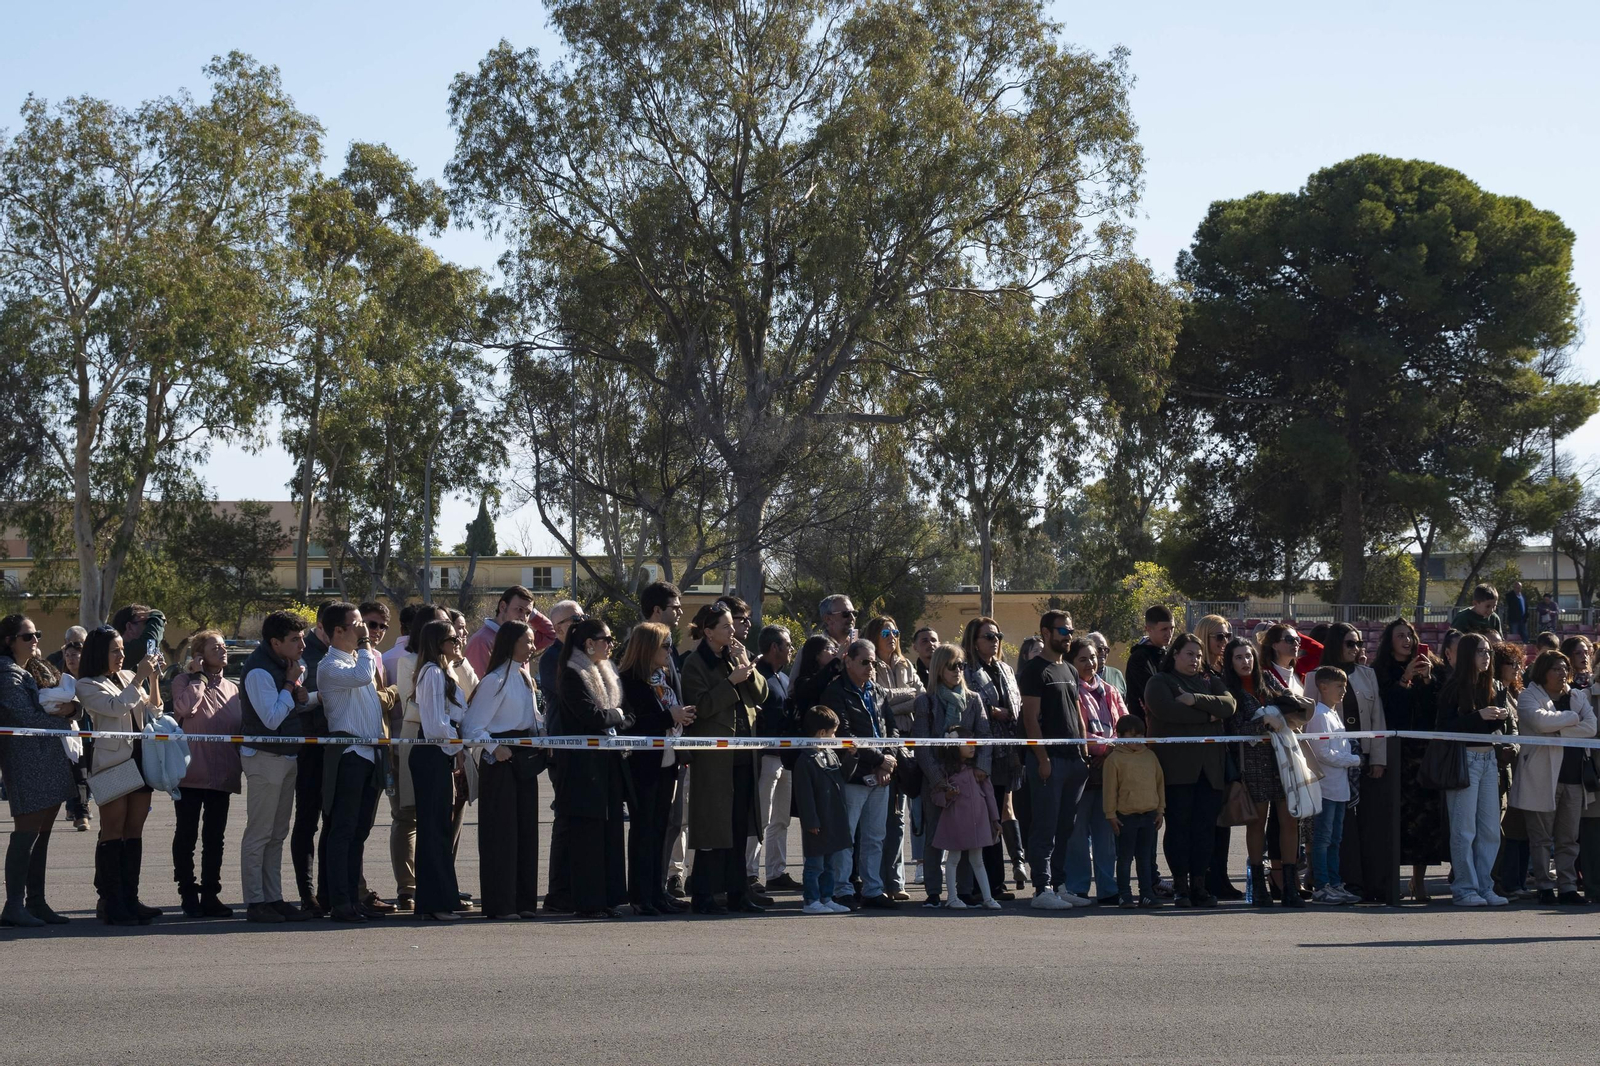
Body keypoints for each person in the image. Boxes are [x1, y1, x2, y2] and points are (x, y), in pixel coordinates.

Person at [681, 602, 770, 914]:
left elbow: (762, 695)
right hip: (715, 761)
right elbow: (701, 707)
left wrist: (745, 667)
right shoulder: (695, 664)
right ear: (708, 632)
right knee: (712, 828)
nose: (734, 632)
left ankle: (737, 893)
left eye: (734, 625)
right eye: (726, 627)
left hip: (744, 756)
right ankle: (704, 895)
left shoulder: (734, 658)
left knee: (737, 827)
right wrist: (730, 682)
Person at [77, 623, 168, 924]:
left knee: (134, 831)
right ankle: (111, 902)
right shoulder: (87, 684)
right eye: (114, 650)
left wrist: (152, 679)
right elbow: (115, 707)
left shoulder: (130, 676)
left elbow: (155, 710)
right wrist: (140, 676)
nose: (121, 654)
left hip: (141, 760)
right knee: (112, 830)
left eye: (122, 649)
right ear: (98, 652)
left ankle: (131, 898)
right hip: (112, 764)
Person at [231, 611, 318, 924]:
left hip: (286, 756)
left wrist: (304, 693)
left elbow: (294, 698)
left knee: (278, 833)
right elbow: (271, 717)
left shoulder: (288, 666)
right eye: (295, 639)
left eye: (302, 637)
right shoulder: (258, 671)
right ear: (275, 642)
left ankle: (274, 898)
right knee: (259, 833)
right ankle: (256, 902)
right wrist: (290, 686)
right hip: (264, 757)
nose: (302, 645)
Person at [1143, 632, 1235, 907]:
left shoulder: (1209, 680)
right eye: (1189, 654)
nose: (1195, 659)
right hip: (1176, 769)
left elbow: (1229, 706)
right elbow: (1168, 712)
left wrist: (1195, 700)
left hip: (1210, 770)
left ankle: (1199, 885)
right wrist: (1210, 715)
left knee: (1205, 830)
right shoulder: (1160, 682)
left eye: (1198, 655)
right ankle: (1180, 885)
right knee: (1179, 828)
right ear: (1175, 654)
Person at [462, 619, 546, 920]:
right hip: (499, 764)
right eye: (528, 641)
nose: (533, 647)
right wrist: (494, 748)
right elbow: (472, 727)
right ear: (511, 642)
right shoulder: (494, 680)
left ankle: (523, 902)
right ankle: (501, 905)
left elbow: (534, 719)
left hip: (524, 761)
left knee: (525, 834)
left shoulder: (526, 678)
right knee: (502, 836)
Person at [1219, 635, 1307, 908]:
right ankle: (1258, 886)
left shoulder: (1267, 680)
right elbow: (1235, 729)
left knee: (1289, 820)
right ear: (1229, 662)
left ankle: (1290, 886)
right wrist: (1265, 723)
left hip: (1282, 759)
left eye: (1248, 656)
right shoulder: (1227, 688)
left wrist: (1283, 711)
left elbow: (1291, 704)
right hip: (1252, 762)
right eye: (1238, 657)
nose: (1245, 662)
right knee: (1257, 822)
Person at [0, 614, 77, 927]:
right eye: (27, 636)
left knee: (41, 836)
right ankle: (14, 906)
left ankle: (36, 902)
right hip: (26, 763)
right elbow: (25, 717)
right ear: (8, 641)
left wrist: (72, 710)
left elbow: (64, 699)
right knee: (25, 835)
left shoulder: (27, 670)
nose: (35, 641)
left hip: (46, 759)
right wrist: (67, 720)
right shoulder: (6, 673)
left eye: (37, 635)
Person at [315, 601, 389, 924]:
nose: (364, 630)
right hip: (349, 757)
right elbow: (362, 678)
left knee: (359, 830)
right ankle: (339, 901)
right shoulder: (330, 666)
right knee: (342, 830)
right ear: (338, 631)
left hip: (370, 754)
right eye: (357, 624)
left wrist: (363, 646)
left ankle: (352, 897)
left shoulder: (360, 659)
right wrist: (366, 642)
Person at [553, 617, 632, 918]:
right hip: (581, 769)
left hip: (609, 765)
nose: (611, 644)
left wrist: (615, 714)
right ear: (588, 643)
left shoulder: (609, 672)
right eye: (606, 639)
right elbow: (592, 716)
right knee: (586, 836)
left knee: (610, 833)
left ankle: (608, 898)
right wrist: (617, 714)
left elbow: (626, 716)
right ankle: (587, 901)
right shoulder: (572, 674)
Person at [618, 621, 694, 916]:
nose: (670, 650)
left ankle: (657, 892)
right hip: (643, 765)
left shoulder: (662, 677)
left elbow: (668, 712)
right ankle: (640, 895)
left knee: (661, 829)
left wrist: (681, 717)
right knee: (643, 830)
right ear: (648, 647)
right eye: (665, 645)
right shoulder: (629, 681)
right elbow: (632, 724)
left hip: (668, 762)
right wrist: (668, 716)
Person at [1510, 650, 1597, 905]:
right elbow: (1538, 722)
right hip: (1541, 777)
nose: (1561, 673)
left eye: (1564, 668)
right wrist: (1572, 719)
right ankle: (1544, 886)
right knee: (1541, 838)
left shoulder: (1577, 695)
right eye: (1555, 669)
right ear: (1543, 671)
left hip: (1573, 778)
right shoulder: (1529, 696)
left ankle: (1568, 886)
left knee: (1568, 839)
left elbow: (1591, 728)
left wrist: (1557, 731)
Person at [1018, 611, 1091, 911]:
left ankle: (1060, 885)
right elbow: (1030, 719)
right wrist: (1042, 757)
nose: (1068, 636)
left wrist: (1084, 751)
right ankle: (1042, 888)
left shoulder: (1070, 670)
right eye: (1062, 630)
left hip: (1074, 761)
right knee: (1045, 827)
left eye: (1071, 630)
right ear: (1046, 632)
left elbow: (1077, 714)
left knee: (1066, 827)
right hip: (1049, 762)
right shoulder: (1035, 670)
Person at [1370, 618, 1446, 903]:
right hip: (1395, 751)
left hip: (1423, 752)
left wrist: (1426, 680)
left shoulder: (1432, 668)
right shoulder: (1380, 671)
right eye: (1400, 636)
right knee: (1396, 818)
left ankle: (1419, 880)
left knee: (1426, 819)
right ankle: (1392, 879)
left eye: (1410, 635)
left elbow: (1435, 710)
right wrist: (1404, 680)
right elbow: (1388, 709)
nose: (1407, 640)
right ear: (1390, 641)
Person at [169, 630, 243, 918]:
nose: (223, 650)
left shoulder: (233, 689)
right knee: (186, 835)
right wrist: (198, 677)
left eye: (224, 646)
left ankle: (211, 893)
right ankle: (188, 892)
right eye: (216, 647)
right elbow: (184, 709)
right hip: (189, 773)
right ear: (199, 654)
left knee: (215, 837)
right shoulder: (183, 682)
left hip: (222, 774)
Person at [823, 638, 900, 910]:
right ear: (849, 661)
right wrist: (879, 759)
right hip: (854, 774)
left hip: (881, 775)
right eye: (864, 662)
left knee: (875, 835)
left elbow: (891, 728)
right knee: (846, 835)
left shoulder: (877, 690)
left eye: (874, 662)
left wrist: (888, 759)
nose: (870, 667)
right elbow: (844, 734)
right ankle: (841, 888)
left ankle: (872, 889)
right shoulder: (836, 691)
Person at [1437, 633, 1513, 907]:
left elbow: (1496, 729)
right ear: (1468, 654)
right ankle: (1464, 888)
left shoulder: (1494, 686)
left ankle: (1484, 885)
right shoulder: (1453, 686)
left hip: (1488, 761)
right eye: (1480, 651)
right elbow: (1444, 728)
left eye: (1488, 651)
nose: (1486, 656)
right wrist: (1477, 717)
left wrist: (1499, 717)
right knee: (1464, 829)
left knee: (1490, 829)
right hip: (1463, 761)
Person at [913, 645, 991, 908]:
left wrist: (981, 766)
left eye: (961, 665)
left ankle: (964, 891)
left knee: (969, 836)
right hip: (937, 779)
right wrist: (938, 780)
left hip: (968, 778)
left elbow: (985, 736)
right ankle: (934, 891)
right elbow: (922, 745)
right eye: (952, 665)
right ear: (938, 668)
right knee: (936, 835)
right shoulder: (926, 701)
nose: (958, 671)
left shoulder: (974, 699)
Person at [1318, 622, 1391, 903]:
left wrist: (1378, 758)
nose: (1357, 649)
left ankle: (1372, 883)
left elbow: (1377, 718)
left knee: (1369, 824)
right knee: (1337, 828)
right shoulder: (1317, 676)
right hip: (1332, 762)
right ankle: (1343, 881)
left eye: (1359, 644)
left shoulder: (1367, 674)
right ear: (1336, 644)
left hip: (1364, 757)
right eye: (1350, 643)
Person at [962, 616, 1025, 897]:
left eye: (997, 636)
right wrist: (993, 712)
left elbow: (1016, 705)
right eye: (988, 636)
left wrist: (1008, 713)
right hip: (980, 756)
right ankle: (980, 885)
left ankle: (996, 884)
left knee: (997, 818)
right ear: (974, 642)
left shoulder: (1005, 669)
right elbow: (969, 708)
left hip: (1007, 753)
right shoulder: (965, 670)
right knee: (982, 819)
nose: (995, 641)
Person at [409, 619, 467, 921]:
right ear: (437, 643)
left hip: (441, 753)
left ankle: (443, 898)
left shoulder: (445, 672)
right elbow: (434, 725)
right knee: (433, 831)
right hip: (431, 754)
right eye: (452, 640)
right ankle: (433, 903)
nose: (457, 644)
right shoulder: (431, 673)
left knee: (440, 829)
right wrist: (457, 748)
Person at [1065, 635, 1127, 905]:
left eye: (1093, 657)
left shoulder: (1111, 690)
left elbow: (1125, 723)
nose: (1090, 663)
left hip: (1110, 772)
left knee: (1106, 834)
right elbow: (1074, 730)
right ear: (1071, 663)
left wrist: (1112, 749)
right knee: (1077, 834)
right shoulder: (1069, 691)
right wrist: (1098, 750)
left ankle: (1108, 888)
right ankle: (1077, 887)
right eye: (1083, 659)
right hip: (1080, 771)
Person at [868, 614, 921, 901]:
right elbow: (879, 699)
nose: (892, 637)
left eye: (896, 631)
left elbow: (921, 695)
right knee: (878, 821)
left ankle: (896, 882)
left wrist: (896, 700)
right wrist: (904, 698)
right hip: (881, 747)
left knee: (899, 819)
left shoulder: (906, 663)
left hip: (907, 747)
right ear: (875, 635)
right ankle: (874, 880)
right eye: (886, 632)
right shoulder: (869, 663)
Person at [1306, 666, 1362, 904]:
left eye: (1345, 686)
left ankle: (1335, 882)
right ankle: (1322, 884)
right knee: (1323, 838)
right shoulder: (1319, 715)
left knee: (1335, 838)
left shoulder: (1333, 713)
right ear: (1323, 687)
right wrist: (1354, 760)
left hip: (1339, 787)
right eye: (1339, 686)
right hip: (1326, 787)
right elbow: (1322, 753)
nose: (1343, 691)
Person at [928, 732, 1002, 909]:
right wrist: (948, 795)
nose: (972, 746)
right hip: (956, 822)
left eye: (973, 743)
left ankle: (988, 897)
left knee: (978, 860)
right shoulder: (946, 771)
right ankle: (952, 897)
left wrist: (995, 819)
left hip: (979, 821)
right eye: (966, 743)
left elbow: (990, 796)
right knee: (953, 858)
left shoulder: (978, 771)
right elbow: (935, 795)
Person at [749, 623, 797, 891]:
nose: (791, 649)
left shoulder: (784, 677)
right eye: (787, 645)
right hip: (766, 757)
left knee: (781, 818)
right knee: (761, 817)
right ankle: (750, 872)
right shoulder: (757, 676)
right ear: (774, 647)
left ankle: (777, 872)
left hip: (786, 757)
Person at [794, 706, 853, 915]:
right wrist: (810, 821)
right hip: (818, 820)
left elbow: (842, 777)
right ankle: (811, 900)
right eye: (833, 733)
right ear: (821, 734)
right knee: (815, 864)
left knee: (829, 864)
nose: (835, 737)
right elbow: (804, 796)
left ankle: (826, 897)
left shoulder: (830, 754)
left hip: (833, 817)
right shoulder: (805, 760)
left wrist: (851, 758)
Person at [1103, 715, 1164, 908]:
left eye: (1141, 735)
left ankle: (1146, 894)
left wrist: (1160, 810)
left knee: (1145, 859)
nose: (1137, 739)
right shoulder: (1114, 760)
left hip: (1149, 816)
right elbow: (1109, 790)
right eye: (1132, 735)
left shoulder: (1150, 756)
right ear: (1120, 736)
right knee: (1124, 859)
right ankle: (1124, 894)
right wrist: (1110, 814)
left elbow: (1159, 784)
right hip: (1125, 818)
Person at [48, 625, 92, 832]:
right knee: (76, 772)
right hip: (68, 730)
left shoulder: (94, 675)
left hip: (92, 730)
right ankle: (78, 811)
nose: (72, 657)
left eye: (78, 651)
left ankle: (81, 809)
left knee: (87, 771)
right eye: (69, 653)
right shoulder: (57, 675)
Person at [464, 584, 556, 679]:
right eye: (519, 610)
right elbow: (478, 686)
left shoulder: (523, 638)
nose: (523, 618)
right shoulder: (481, 641)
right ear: (503, 607)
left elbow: (551, 634)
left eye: (528, 613)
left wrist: (532, 612)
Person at [1124, 605, 1174, 720]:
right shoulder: (1139, 658)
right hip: (1146, 724)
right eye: (1164, 629)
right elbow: (1153, 692)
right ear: (1148, 629)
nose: (1169, 634)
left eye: (1172, 628)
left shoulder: (1168, 655)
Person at [538, 599, 585, 695]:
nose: (583, 622)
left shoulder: (589, 652)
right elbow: (571, 695)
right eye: (576, 619)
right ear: (559, 629)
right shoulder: (551, 658)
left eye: (585, 617)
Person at [1086, 632, 1127, 700]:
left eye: (1106, 649)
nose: (1103, 652)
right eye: (1099, 649)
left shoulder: (1117, 675)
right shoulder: (1081, 676)